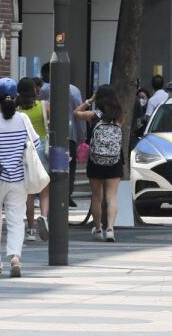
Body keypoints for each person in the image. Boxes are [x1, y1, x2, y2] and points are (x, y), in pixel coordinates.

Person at [0, 78, 39, 277]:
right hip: (18, 178)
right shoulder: (23, 119)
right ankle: (15, 257)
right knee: (15, 220)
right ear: (16, 96)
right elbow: (35, 144)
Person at [75, 85, 124, 242]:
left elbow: (76, 113)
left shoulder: (94, 115)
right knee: (112, 196)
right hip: (114, 160)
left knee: (97, 197)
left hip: (95, 160)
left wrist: (90, 100)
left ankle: (98, 229)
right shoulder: (120, 116)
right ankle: (110, 228)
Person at [40, 62, 86, 207]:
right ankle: (67, 194)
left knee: (49, 164)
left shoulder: (44, 90)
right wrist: (82, 136)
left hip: (49, 133)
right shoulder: (74, 91)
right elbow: (79, 115)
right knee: (69, 165)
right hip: (69, 133)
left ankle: (50, 193)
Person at [17, 77, 50, 241]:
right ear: (35, 90)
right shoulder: (44, 106)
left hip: (23, 151)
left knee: (28, 192)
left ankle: (30, 230)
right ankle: (44, 216)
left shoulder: (16, 110)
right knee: (44, 188)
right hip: (41, 149)